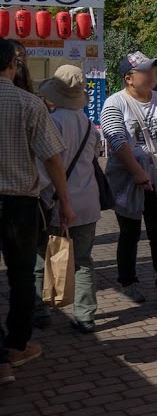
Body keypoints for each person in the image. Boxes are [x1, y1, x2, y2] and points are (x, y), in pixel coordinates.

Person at [0, 39, 72, 381]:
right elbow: (52, 159)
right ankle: (17, 345)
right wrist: (65, 200)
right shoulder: (29, 103)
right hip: (20, 205)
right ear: (12, 66)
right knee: (21, 276)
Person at [102, 51, 157, 307]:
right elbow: (116, 141)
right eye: (146, 70)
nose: (152, 74)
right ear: (129, 78)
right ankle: (129, 282)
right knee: (130, 232)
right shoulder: (115, 103)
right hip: (127, 176)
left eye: (154, 69)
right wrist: (137, 172)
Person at [34, 65, 101, 334]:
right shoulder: (87, 123)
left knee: (42, 258)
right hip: (88, 202)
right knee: (83, 260)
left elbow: (45, 168)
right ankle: (85, 315)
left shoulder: (51, 122)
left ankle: (39, 312)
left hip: (54, 203)